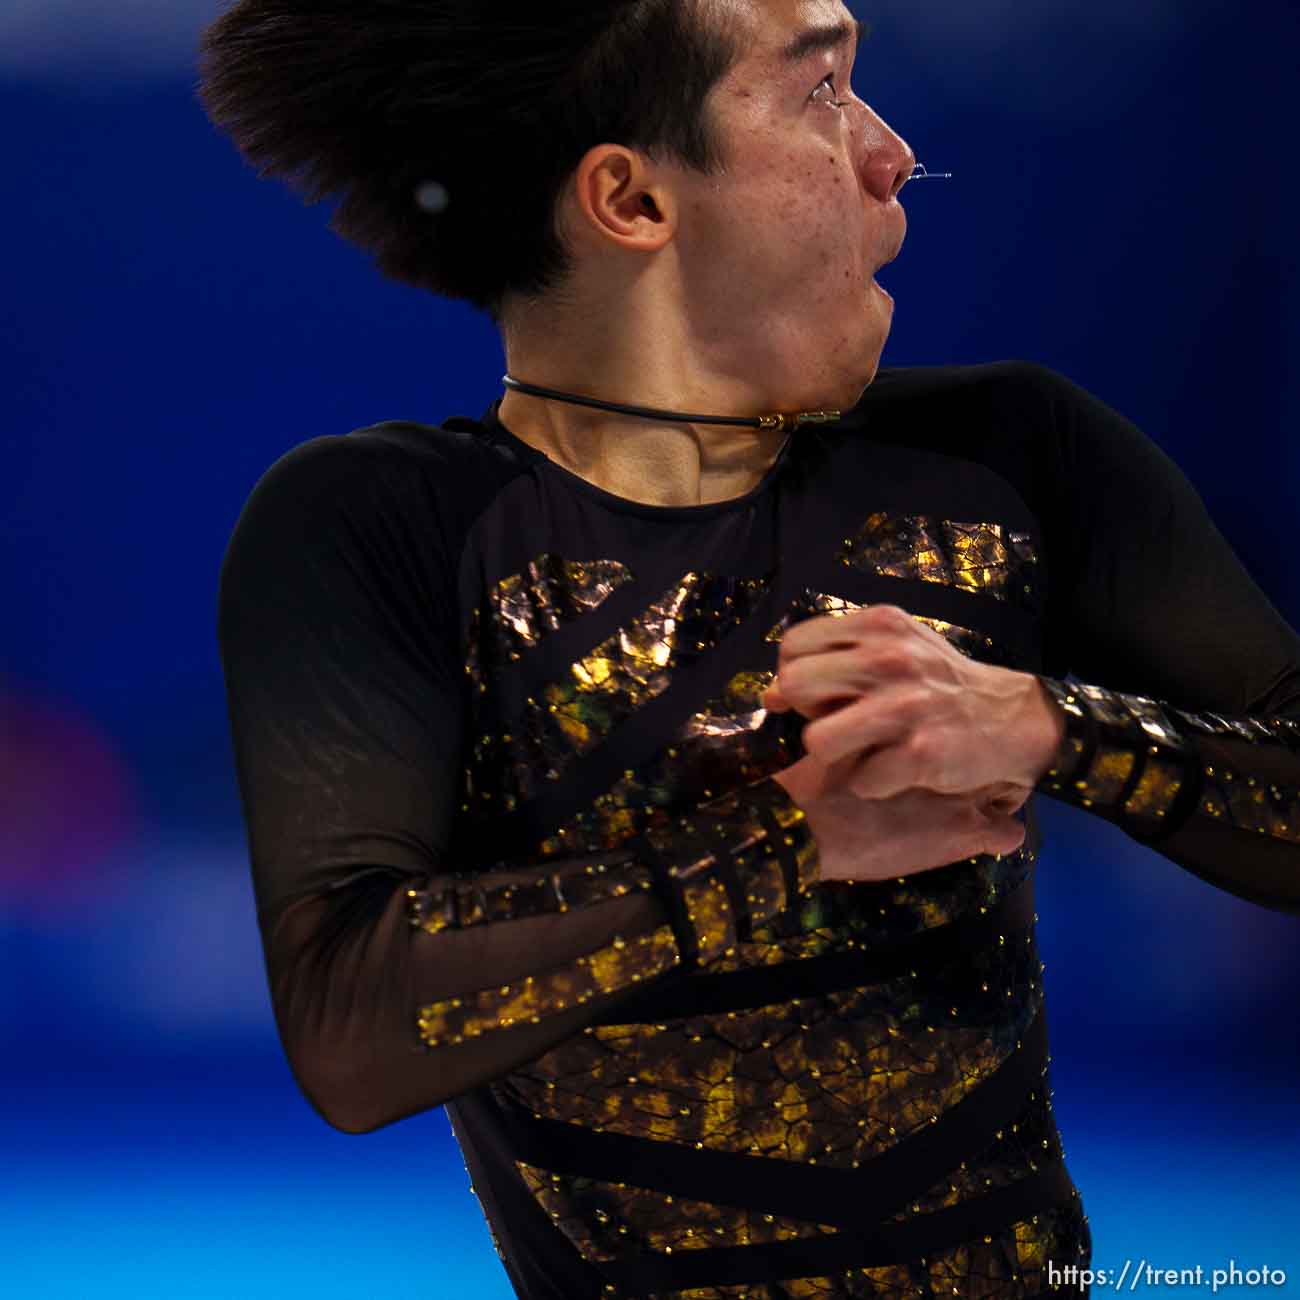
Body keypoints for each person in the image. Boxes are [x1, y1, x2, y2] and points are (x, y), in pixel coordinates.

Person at [201, 0, 1300, 1295]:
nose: (894, 155)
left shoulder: (1008, 458)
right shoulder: (386, 530)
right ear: (633, 199)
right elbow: (350, 1029)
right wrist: (789, 846)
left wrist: (1055, 729)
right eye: (822, 90)